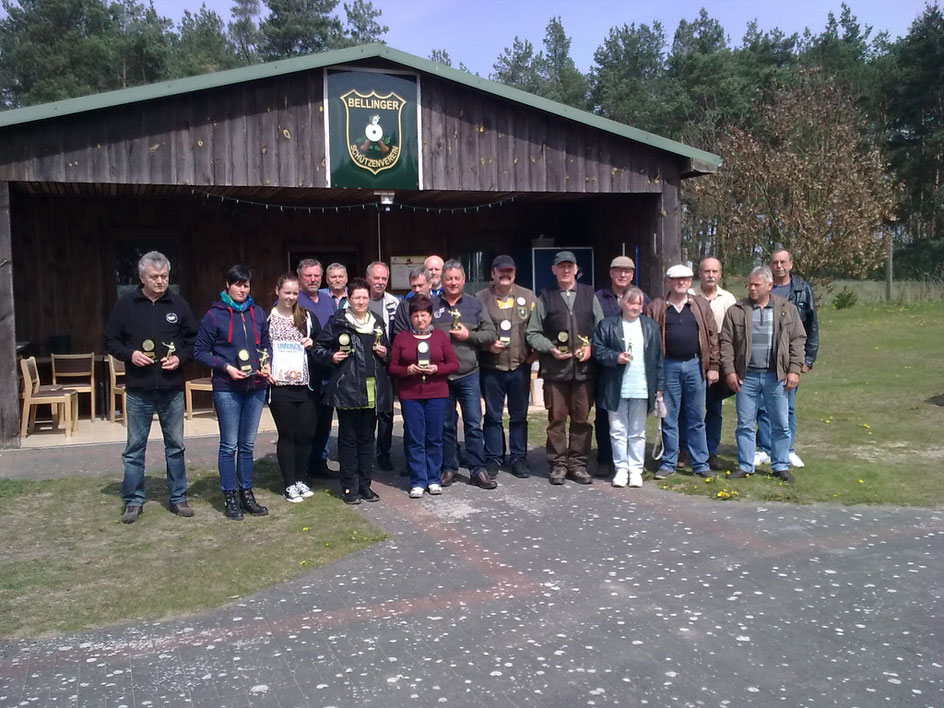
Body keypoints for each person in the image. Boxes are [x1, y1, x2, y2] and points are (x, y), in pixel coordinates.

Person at [104, 251, 199, 524]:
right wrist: (130, 355)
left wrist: (180, 358)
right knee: (134, 448)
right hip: (139, 388)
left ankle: (179, 498)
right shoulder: (126, 305)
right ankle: (133, 500)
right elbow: (110, 340)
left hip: (171, 387)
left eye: (165, 276)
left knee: (176, 447)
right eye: (154, 277)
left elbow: (194, 341)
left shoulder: (178, 305)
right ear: (142, 277)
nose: (160, 281)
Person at [194, 264, 271, 520]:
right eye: (238, 284)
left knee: (247, 445)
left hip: (256, 387)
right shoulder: (214, 316)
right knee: (229, 445)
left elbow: (266, 343)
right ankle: (230, 497)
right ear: (228, 285)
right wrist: (225, 367)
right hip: (228, 387)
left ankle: (246, 494)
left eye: (246, 284)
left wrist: (266, 361)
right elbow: (200, 352)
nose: (242, 289)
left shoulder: (257, 312)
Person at [720, 266, 806, 483]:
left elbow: (798, 340)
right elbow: (726, 343)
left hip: (776, 377)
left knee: (780, 423)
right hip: (746, 377)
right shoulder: (737, 310)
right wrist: (729, 371)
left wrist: (794, 370)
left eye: (757, 284)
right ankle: (745, 465)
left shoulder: (787, 309)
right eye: (749, 284)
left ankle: (780, 465)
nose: (752, 288)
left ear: (769, 286)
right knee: (745, 424)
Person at [526, 250, 604, 485]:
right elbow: (532, 332)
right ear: (554, 270)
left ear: (576, 269)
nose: (566, 270)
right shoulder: (545, 297)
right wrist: (550, 348)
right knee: (557, 420)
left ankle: (578, 464)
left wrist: (591, 347)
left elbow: (602, 329)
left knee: (581, 420)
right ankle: (558, 464)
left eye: (570, 266)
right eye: (561, 266)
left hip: (584, 370)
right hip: (555, 371)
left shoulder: (590, 294)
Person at [314, 277, 391, 504]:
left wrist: (386, 353)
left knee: (368, 439)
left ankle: (365, 485)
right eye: (356, 297)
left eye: (364, 297)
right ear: (349, 298)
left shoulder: (377, 322)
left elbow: (388, 353)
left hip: (372, 388)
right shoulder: (338, 322)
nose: (361, 301)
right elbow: (318, 348)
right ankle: (349, 487)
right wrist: (331, 357)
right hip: (347, 388)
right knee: (348, 439)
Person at [645, 264, 719, 480]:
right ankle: (669, 462)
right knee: (669, 417)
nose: (681, 282)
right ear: (668, 281)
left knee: (697, 417)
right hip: (668, 366)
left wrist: (713, 366)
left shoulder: (700, 305)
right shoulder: (657, 307)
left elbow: (713, 336)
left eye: (685, 279)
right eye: (677, 279)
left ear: (690, 281)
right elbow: (649, 339)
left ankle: (700, 463)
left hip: (695, 366)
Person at [434, 260, 498, 489]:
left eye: (457, 278)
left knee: (473, 423)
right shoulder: (431, 305)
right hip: (441, 376)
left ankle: (477, 470)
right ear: (441, 281)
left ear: (463, 281)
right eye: (448, 278)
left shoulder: (475, 304)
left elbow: (491, 334)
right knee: (446, 425)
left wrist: (468, 336)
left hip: (468, 373)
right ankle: (449, 468)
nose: (452, 282)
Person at [592, 287, 664, 488]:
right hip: (616, 386)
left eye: (639, 303)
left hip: (641, 386)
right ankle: (621, 469)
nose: (635, 307)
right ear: (622, 303)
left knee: (637, 431)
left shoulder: (650, 326)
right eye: (632, 302)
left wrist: (659, 386)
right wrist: (616, 357)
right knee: (617, 430)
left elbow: (658, 358)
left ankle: (636, 469)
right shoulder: (607, 325)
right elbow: (597, 350)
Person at [388, 295, 459, 497]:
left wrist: (438, 368)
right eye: (416, 316)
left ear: (430, 317)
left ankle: (434, 479)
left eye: (424, 315)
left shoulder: (440, 337)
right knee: (415, 438)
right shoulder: (402, 338)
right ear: (411, 317)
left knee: (435, 437)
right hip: (411, 395)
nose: (420, 320)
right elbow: (392, 367)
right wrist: (407, 370)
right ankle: (418, 480)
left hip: (437, 393)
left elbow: (454, 364)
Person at [756, 249, 819, 468]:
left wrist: (808, 359)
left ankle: (787, 449)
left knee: (787, 406)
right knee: (763, 407)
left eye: (783, 262)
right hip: (763, 358)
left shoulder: (802, 289)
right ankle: (764, 448)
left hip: (790, 357)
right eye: (775, 262)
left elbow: (811, 325)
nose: (779, 266)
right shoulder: (762, 286)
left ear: (791, 264)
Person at [476, 254, 536, 479]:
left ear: (514, 273)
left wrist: (533, 357)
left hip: (520, 366)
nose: (505, 274)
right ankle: (493, 458)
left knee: (519, 415)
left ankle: (519, 458)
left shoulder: (528, 297)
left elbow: (537, 328)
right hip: (492, 367)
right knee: (492, 415)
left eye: (509, 271)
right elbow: (474, 331)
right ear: (492, 274)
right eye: (501, 271)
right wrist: (486, 346)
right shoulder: (480, 298)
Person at [267, 273, 321, 503]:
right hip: (280, 386)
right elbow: (260, 347)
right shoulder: (267, 318)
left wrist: (313, 343)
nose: (290, 297)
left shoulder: (306, 317)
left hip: (305, 385)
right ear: (277, 291)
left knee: (306, 433)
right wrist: (264, 366)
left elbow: (322, 344)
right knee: (287, 434)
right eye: (286, 292)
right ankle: (289, 483)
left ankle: (301, 478)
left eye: (294, 293)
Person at [594, 255, 647, 478]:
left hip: (635, 372)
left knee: (635, 424)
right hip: (605, 367)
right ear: (611, 273)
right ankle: (607, 459)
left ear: (632, 275)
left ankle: (634, 464)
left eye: (627, 271)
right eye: (618, 270)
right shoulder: (598, 297)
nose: (622, 275)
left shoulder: (642, 298)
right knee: (605, 416)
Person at [693, 257, 737, 470]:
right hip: (693, 358)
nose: (710, 275)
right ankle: (688, 450)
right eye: (706, 271)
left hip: (717, 362)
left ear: (720, 274)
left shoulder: (728, 299)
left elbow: (733, 335)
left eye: (715, 271)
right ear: (699, 273)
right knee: (690, 409)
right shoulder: (690, 295)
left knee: (713, 409)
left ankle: (711, 451)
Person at [366, 261, 400, 471]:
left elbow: (397, 335)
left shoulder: (394, 303)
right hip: (364, 366)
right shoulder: (359, 300)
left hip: (386, 364)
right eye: (376, 278)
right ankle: (366, 452)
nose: (380, 282)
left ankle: (384, 453)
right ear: (368, 278)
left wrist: (390, 354)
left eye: (384, 278)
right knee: (367, 411)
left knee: (386, 413)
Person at [392, 265, 438, 337]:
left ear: (430, 284)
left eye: (420, 285)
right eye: (414, 286)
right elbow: (399, 333)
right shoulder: (404, 306)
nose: (417, 290)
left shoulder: (438, 304)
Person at [295, 258, 335, 327]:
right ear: (299, 277)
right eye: (308, 276)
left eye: (316, 276)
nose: (313, 280)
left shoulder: (329, 300)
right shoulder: (292, 300)